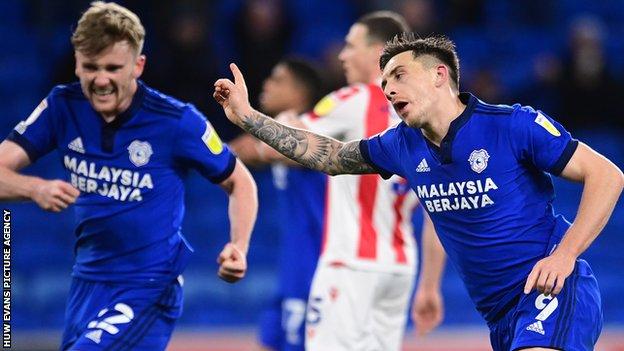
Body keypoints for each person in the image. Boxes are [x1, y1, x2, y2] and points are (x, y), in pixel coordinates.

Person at [214, 32, 624, 351]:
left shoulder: (512, 125)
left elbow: (607, 175)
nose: (388, 89)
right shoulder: (401, 145)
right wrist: (249, 117)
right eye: (384, 81)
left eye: (398, 76)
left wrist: (566, 255)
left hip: (549, 289)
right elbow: (330, 156)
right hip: (499, 313)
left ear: (439, 75)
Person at [0, 2, 257, 350]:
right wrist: (34, 188)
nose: (101, 79)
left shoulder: (176, 121)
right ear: (76, 63)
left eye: (112, 67)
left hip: (148, 285)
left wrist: (238, 247)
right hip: (86, 283)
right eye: (90, 67)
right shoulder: (62, 106)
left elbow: (240, 182)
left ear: (138, 66)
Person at [227, 12, 446, 351]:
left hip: (350, 266)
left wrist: (249, 116)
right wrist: (429, 285)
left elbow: (291, 142)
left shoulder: (357, 98)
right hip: (400, 268)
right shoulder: (424, 113)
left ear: (377, 53)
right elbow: (439, 208)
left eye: (350, 46)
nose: (342, 55)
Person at [230, 57, 327, 351]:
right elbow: (243, 150)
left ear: (299, 94)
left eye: (277, 80)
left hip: (316, 260)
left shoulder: (312, 129)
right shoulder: (282, 129)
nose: (267, 85)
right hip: (293, 261)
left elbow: (260, 150)